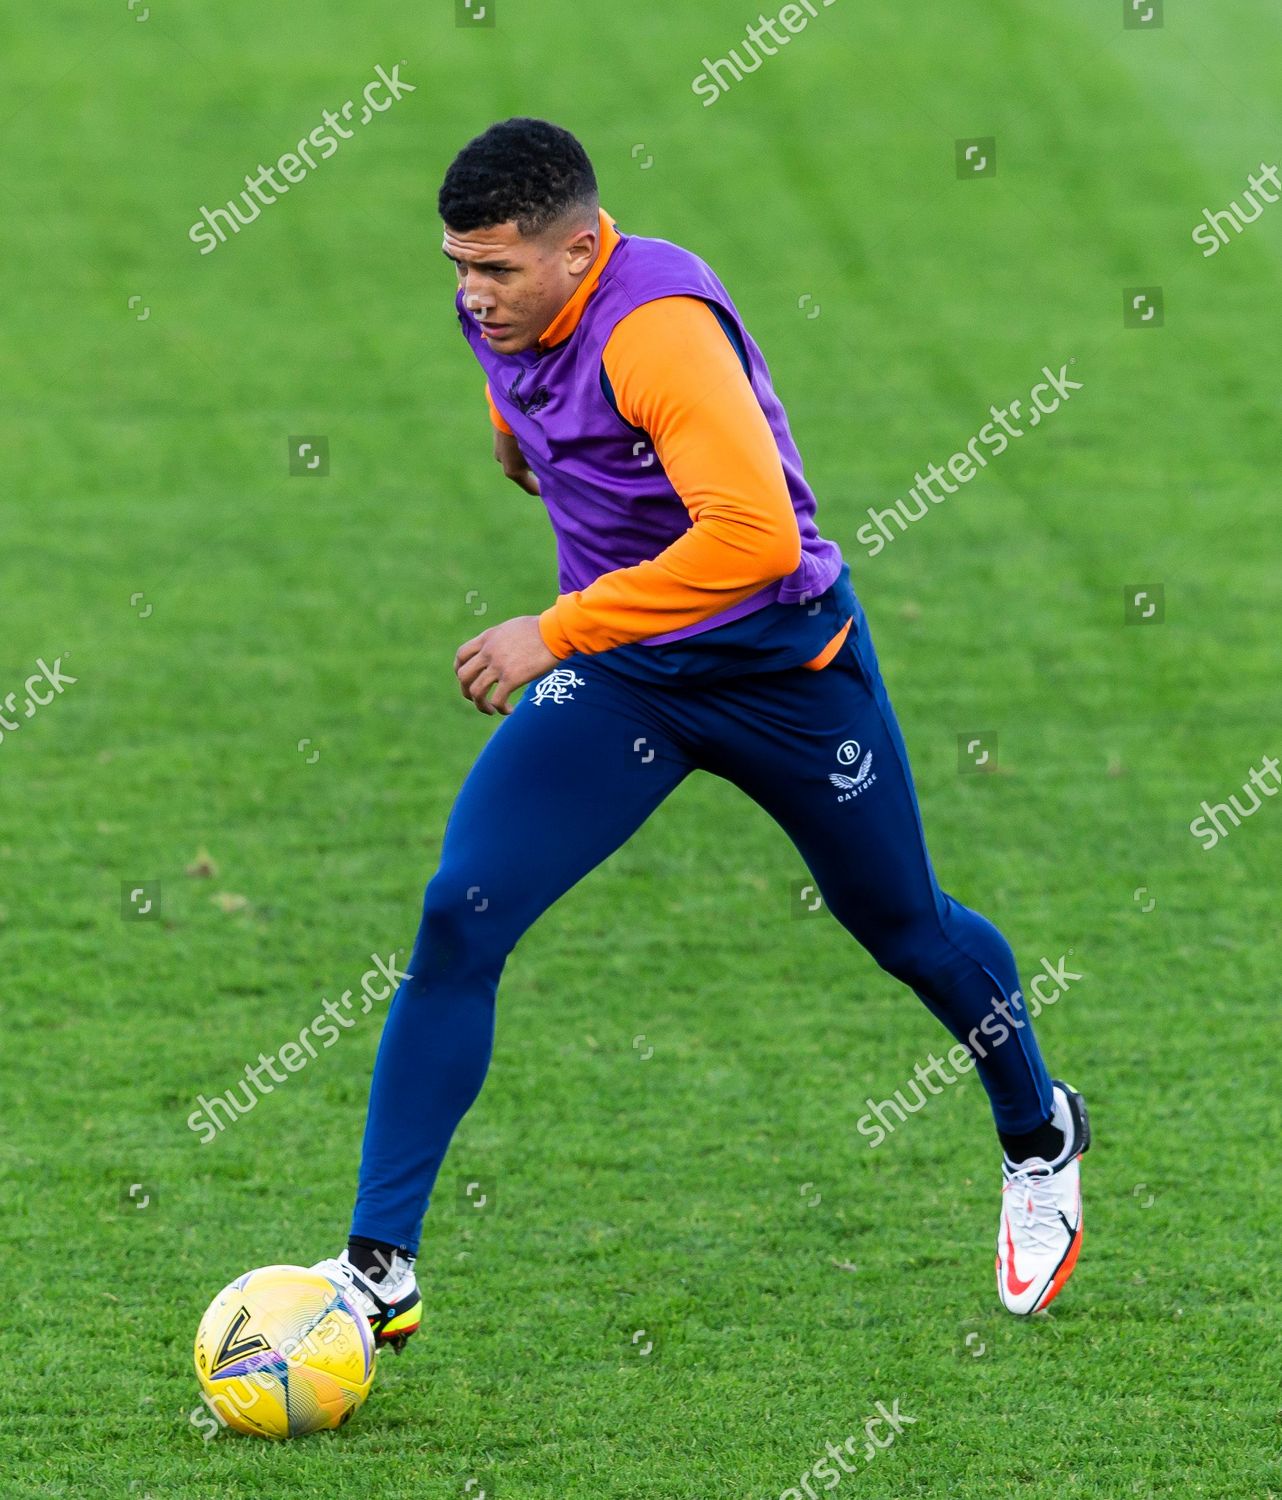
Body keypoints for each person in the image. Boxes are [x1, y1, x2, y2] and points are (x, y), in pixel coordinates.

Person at [313, 117, 1090, 1348]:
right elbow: (525, 409)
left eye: (497, 270)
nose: (472, 294)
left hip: (784, 672)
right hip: (632, 683)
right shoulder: (500, 313)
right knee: (460, 910)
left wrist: (555, 630)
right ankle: (378, 1261)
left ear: (581, 250)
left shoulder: (657, 328)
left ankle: (1039, 1132)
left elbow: (754, 540)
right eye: (457, 266)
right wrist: (520, 440)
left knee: (902, 926)